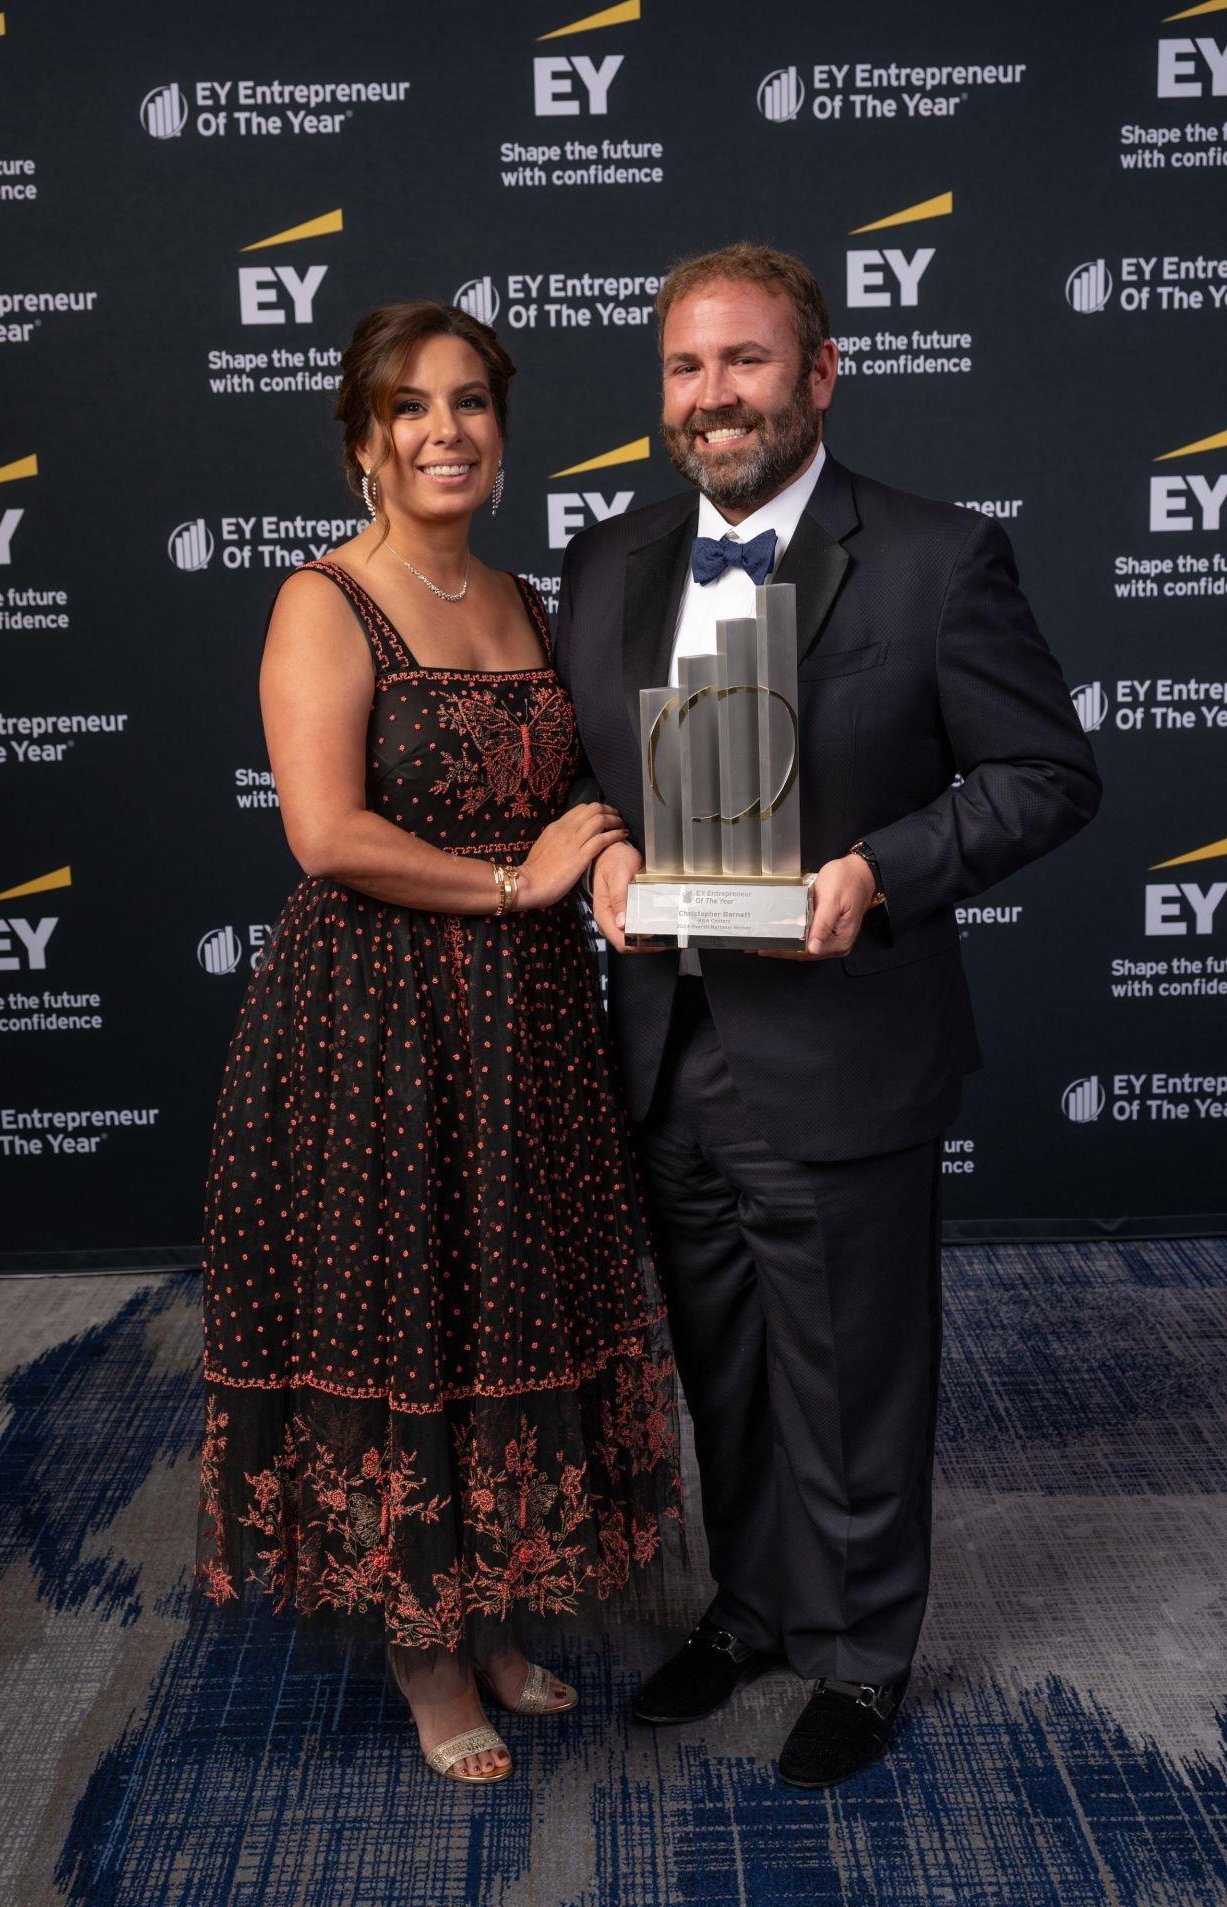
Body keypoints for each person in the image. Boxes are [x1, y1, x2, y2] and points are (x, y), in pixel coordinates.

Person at [554, 242, 1101, 1789]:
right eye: (684, 368)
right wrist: (597, 843)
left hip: (846, 1040)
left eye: (743, 362)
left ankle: (862, 1655)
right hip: (665, 1044)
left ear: (819, 373)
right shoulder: (607, 561)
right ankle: (754, 1609)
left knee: (853, 1372)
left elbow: (1047, 776)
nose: (712, 396)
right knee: (722, 1366)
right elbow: (586, 778)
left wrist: (883, 867)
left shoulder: (937, 557)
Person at [197, 299, 682, 1785]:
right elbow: (328, 832)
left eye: (471, 402)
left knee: (505, 1313)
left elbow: (582, 798)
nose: (448, 430)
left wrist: (597, 863)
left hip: (527, 1023)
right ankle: (426, 1658)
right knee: (405, 1316)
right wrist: (512, 882)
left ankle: (491, 1615)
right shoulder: (322, 600)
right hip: (380, 1028)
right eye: (412, 407)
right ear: (365, 443)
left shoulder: (530, 600)